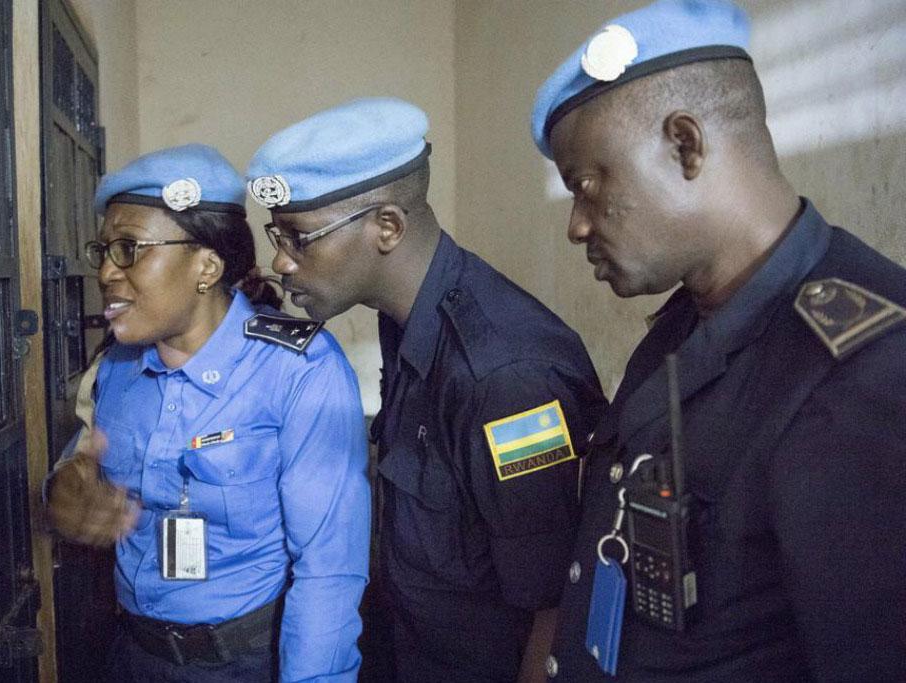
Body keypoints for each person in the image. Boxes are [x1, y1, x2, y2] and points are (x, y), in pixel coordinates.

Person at [530, 1, 906, 680]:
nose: (577, 226)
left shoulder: (864, 371)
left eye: (586, 187)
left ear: (685, 145)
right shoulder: (686, 321)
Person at [246, 98, 607, 682]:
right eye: (277, 236)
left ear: (387, 227)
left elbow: (555, 604)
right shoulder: (407, 318)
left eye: (300, 239)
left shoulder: (503, 376)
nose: (281, 263)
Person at [45, 143, 370, 682]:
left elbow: (329, 572)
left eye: (129, 249)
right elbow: (76, 467)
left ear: (207, 266)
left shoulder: (299, 369)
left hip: (245, 663)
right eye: (102, 250)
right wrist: (63, 490)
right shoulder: (116, 367)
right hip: (131, 655)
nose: (105, 272)